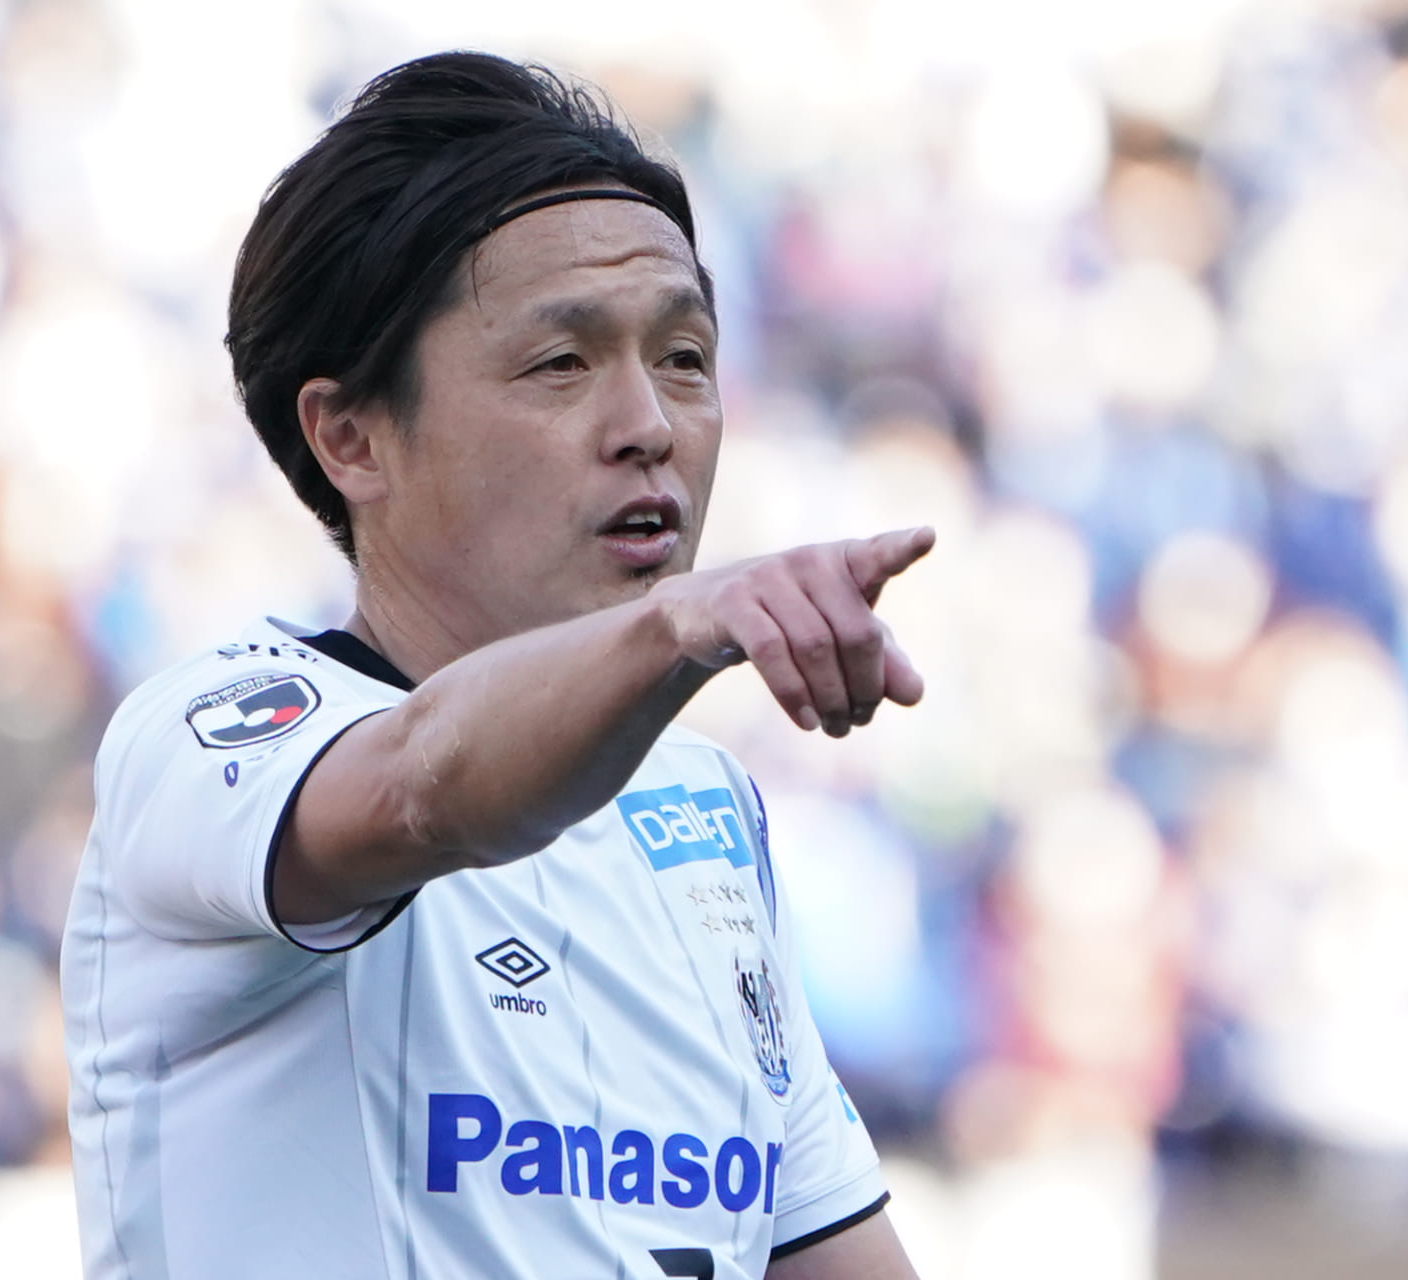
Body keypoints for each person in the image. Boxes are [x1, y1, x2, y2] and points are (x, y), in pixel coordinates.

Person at [61, 50, 931, 1280]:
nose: (650, 425)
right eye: (561, 363)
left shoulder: (702, 811)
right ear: (351, 436)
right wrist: (672, 629)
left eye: (685, 356)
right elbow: (426, 783)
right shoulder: (205, 738)